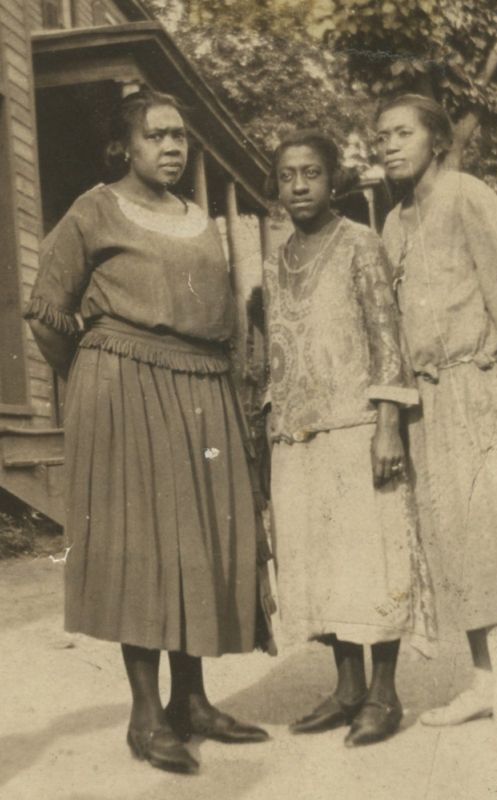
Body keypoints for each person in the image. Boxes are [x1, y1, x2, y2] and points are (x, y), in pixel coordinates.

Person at [25, 88, 273, 775]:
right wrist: (97, 372)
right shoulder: (94, 210)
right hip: (123, 390)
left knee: (194, 542)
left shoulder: (198, 219)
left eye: (180, 137)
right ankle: (145, 714)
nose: (171, 148)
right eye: (156, 136)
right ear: (125, 148)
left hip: (201, 388)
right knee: (142, 546)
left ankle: (192, 700)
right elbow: (47, 310)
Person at [375, 94, 497, 758]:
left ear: (435, 140)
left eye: (403, 133)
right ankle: (480, 682)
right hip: (426, 403)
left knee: (492, 540)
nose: (390, 145)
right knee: (453, 541)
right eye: (382, 136)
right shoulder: (393, 224)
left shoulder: (468, 195)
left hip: (478, 386)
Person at [262, 129, 436, 747]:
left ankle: (384, 695)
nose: (299, 185)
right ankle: (345, 689)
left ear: (333, 179)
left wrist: (388, 423)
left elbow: (388, 338)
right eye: (287, 175)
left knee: (372, 560)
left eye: (311, 172)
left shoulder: (361, 243)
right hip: (297, 437)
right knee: (320, 566)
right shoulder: (275, 260)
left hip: (357, 428)